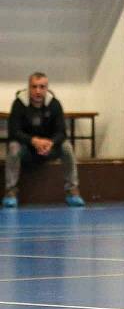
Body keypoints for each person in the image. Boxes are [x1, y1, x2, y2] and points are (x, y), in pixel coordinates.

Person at [3, 72, 84, 208]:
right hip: (27, 149)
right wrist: (34, 141)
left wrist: (50, 143)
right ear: (29, 88)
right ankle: (10, 192)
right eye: (34, 87)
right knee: (13, 147)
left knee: (67, 147)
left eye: (42, 87)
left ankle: (72, 191)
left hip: (49, 148)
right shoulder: (19, 104)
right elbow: (14, 132)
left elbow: (62, 132)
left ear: (47, 88)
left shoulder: (54, 104)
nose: (38, 91)